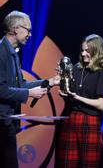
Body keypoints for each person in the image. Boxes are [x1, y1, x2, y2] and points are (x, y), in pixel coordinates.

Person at [0, 10, 59, 168]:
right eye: (28, 30)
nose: (30, 35)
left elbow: (20, 85)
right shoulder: (1, 52)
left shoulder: (13, 53)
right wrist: (29, 93)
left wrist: (49, 82)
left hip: (8, 122)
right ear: (16, 29)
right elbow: (1, 89)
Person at [55, 34, 103, 168]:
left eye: (87, 51)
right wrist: (63, 87)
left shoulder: (102, 73)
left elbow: (101, 105)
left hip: (89, 121)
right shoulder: (76, 69)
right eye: (82, 50)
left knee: (88, 164)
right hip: (70, 118)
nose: (83, 53)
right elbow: (69, 95)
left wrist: (77, 97)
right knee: (66, 163)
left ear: (97, 52)